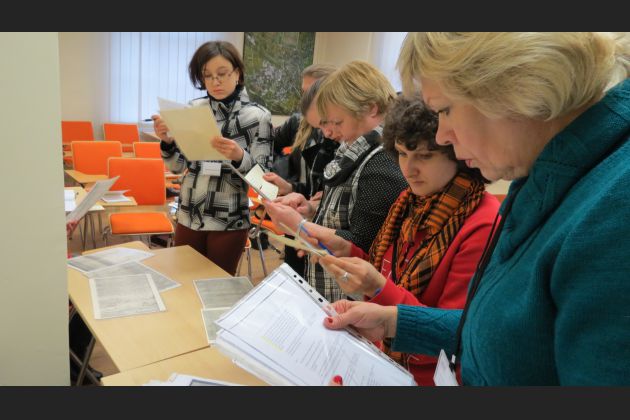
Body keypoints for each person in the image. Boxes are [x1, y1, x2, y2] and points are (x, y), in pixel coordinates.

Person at [323, 32, 630, 385]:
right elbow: (506, 333)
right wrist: (394, 321)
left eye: (445, 110)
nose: (442, 136)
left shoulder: (612, 214)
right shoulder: (543, 176)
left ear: (511, 86)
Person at [308, 95, 499, 385]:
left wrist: (376, 286)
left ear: (457, 152)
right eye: (401, 153)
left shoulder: (482, 223)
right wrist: (348, 251)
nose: (408, 169)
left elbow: (454, 334)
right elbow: (390, 269)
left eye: (424, 156)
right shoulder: (407, 202)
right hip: (384, 362)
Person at [264, 61, 408, 302]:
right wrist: (312, 209)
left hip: (350, 300)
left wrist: (302, 226)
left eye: (336, 122)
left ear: (372, 109)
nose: (329, 132)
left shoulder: (381, 162)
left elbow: (365, 247)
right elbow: (346, 211)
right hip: (333, 291)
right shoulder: (354, 151)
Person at [152, 41, 273, 275]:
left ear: (237, 73)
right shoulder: (193, 109)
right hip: (190, 212)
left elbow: (264, 181)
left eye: (222, 74)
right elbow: (177, 166)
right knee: (184, 281)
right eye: (207, 76)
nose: (215, 82)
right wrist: (167, 141)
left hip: (228, 218)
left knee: (218, 286)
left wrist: (239, 156)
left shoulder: (257, 117)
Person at [262, 77, 340, 275]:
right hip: (301, 211)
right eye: (304, 92)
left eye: (313, 92)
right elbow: (314, 189)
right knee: (294, 272)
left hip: (324, 228)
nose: (306, 98)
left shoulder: (340, 139)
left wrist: (318, 201)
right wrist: (289, 186)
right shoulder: (298, 123)